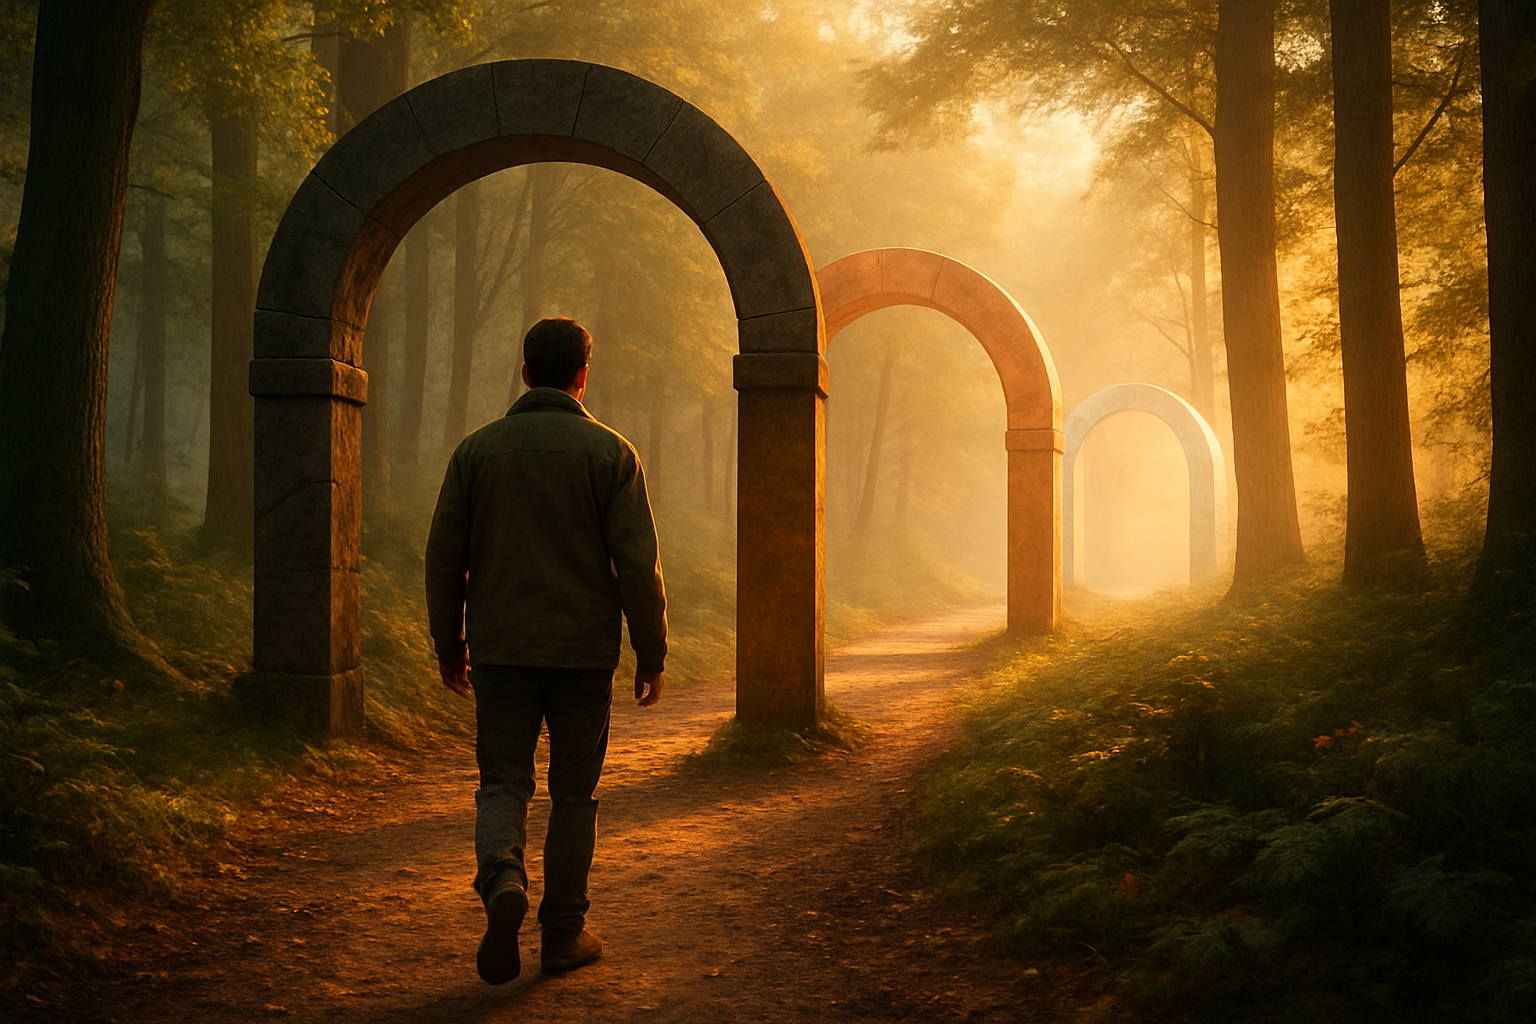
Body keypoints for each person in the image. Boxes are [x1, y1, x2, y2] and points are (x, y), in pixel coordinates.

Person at [425, 317, 667, 985]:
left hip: (501, 650)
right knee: (572, 794)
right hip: (584, 654)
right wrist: (651, 651)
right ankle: (562, 933)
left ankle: (502, 877)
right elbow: (636, 564)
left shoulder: (476, 453)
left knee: (503, 779)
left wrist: (450, 643)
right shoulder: (612, 454)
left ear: (525, 373)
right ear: (582, 375)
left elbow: (444, 557)